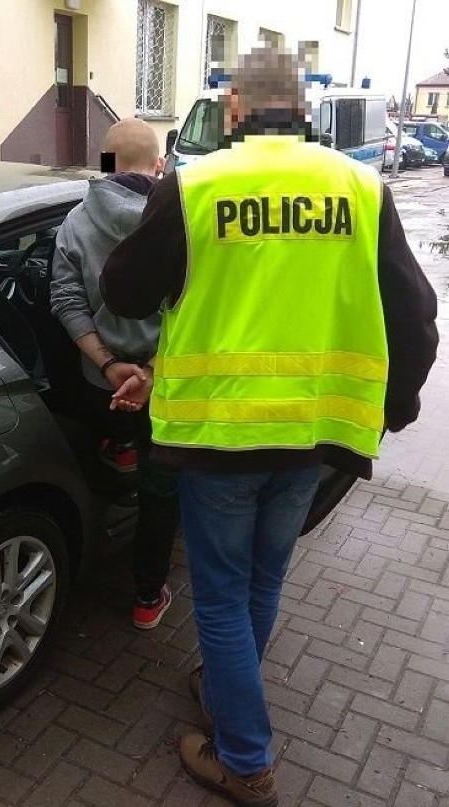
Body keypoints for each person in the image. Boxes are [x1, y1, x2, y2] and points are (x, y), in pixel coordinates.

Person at [100, 46, 438, 807]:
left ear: (235, 113)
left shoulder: (198, 183)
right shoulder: (359, 186)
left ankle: (246, 759)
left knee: (218, 596)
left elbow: (122, 292)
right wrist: (399, 404)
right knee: (263, 578)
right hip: (313, 433)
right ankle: (229, 689)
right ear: (305, 112)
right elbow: (416, 315)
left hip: (220, 435)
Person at [50, 118, 179, 630]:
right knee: (161, 490)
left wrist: (107, 363)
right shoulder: (180, 225)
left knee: (102, 425)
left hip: (97, 381)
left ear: (105, 164)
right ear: (160, 167)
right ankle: (148, 596)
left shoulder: (75, 223)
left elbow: (64, 298)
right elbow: (191, 309)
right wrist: (147, 371)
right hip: (161, 387)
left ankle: (117, 447)